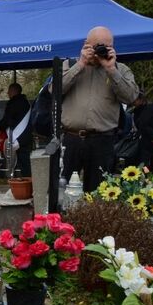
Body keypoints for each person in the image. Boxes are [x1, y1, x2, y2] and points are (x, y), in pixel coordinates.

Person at [61, 26, 138, 192]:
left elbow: (131, 97)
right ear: (86, 44)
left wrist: (111, 70)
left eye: (107, 46)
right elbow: (54, 91)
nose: (101, 50)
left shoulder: (120, 69)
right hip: (71, 139)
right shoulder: (70, 65)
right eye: (98, 46)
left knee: (98, 193)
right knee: (62, 189)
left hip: (103, 141)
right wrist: (81, 64)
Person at [0, 83, 33, 177]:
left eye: (9, 90)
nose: (8, 93)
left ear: (14, 91)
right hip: (26, 136)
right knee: (25, 162)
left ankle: (22, 180)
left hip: (17, 137)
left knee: (18, 162)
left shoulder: (13, 103)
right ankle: (27, 180)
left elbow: (7, 120)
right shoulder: (25, 102)